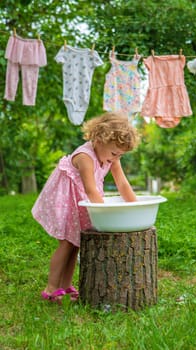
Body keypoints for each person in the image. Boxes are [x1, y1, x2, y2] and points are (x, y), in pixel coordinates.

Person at [31, 112, 139, 303]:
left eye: (120, 155)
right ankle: (51, 288)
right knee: (66, 242)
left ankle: (65, 285)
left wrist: (136, 207)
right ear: (98, 139)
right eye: (114, 153)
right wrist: (104, 215)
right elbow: (90, 189)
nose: (115, 158)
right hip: (64, 199)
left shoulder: (112, 156)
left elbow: (121, 183)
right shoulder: (85, 157)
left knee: (75, 243)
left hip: (79, 200)